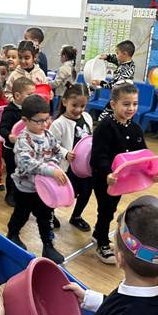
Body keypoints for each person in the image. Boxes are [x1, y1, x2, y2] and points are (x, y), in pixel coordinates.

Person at [90, 82, 158, 264]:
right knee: (105, 210)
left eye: (135, 104)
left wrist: (152, 172)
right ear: (113, 104)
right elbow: (98, 155)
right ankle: (102, 243)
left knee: (110, 209)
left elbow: (143, 155)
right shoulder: (105, 126)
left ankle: (98, 233)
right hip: (104, 178)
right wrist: (107, 173)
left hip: (122, 180)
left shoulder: (135, 128)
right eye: (126, 104)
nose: (131, 108)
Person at [5, 94, 65, 264]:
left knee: (46, 216)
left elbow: (57, 151)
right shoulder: (23, 140)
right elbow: (25, 163)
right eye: (39, 121)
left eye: (47, 119)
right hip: (25, 188)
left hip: (44, 189)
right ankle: (13, 234)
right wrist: (49, 171)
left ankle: (48, 245)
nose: (44, 124)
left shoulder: (48, 135)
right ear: (25, 120)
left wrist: (53, 164)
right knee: (21, 214)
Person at [49, 84, 93, 231]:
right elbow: (52, 144)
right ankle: (49, 214)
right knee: (61, 193)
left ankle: (76, 216)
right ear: (64, 102)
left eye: (82, 106)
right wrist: (65, 153)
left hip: (85, 168)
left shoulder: (87, 117)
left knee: (86, 192)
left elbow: (90, 139)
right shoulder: (58, 124)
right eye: (74, 105)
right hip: (67, 168)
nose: (78, 109)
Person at [0, 77, 34, 207]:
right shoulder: (9, 111)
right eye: (29, 94)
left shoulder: (30, 110)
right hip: (11, 150)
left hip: (25, 149)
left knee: (23, 172)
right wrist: (9, 136)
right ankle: (10, 195)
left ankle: (21, 193)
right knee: (12, 173)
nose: (33, 97)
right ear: (18, 95)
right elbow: (2, 128)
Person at [94, 40, 136, 122]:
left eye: (117, 53)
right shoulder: (129, 63)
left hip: (120, 100)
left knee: (103, 119)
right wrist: (107, 57)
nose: (116, 55)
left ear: (125, 54)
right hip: (121, 98)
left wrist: (100, 83)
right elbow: (116, 60)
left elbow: (113, 85)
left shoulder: (125, 70)